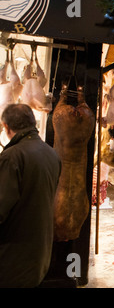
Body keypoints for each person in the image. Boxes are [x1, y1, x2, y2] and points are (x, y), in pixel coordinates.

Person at [0, 103, 61, 287]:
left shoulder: (12, 156)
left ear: (6, 127)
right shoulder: (51, 153)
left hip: (13, 256)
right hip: (39, 251)